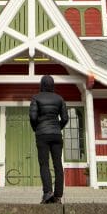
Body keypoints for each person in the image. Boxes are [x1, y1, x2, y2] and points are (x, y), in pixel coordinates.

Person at [29, 74, 69, 203]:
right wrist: (58, 127)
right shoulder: (60, 99)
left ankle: (47, 192)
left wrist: (37, 128)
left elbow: (33, 117)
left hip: (42, 134)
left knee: (44, 164)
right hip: (56, 134)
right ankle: (58, 196)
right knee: (58, 164)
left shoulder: (36, 98)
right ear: (52, 85)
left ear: (41, 84)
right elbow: (65, 118)